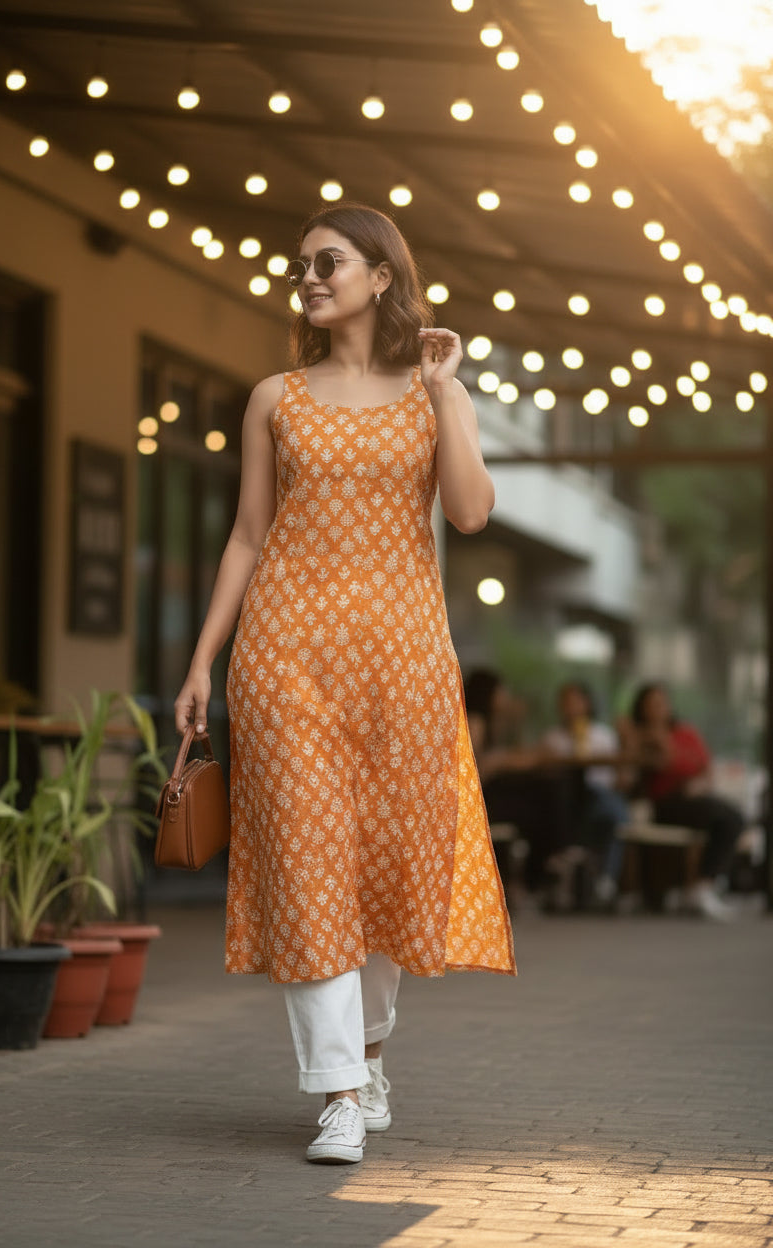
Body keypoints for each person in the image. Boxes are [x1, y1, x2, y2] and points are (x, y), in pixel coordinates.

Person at [174, 203, 516, 1166]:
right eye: (303, 267)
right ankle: (338, 1093)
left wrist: (449, 394)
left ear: (382, 275)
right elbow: (247, 534)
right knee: (310, 863)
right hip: (287, 660)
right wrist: (203, 661)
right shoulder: (274, 398)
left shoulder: (432, 391)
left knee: (385, 865)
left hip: (404, 664)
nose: (311, 278)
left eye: (329, 262)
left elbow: (472, 511)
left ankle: (367, 1055)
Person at [620, 682, 742, 920]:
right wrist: (650, 735)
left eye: (662, 703)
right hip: (664, 803)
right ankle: (699, 888)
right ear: (641, 708)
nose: (658, 709)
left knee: (732, 817)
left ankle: (703, 885)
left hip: (694, 798)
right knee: (725, 817)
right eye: (652, 704)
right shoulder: (638, 736)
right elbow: (662, 762)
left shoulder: (686, 732)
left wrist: (699, 784)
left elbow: (706, 768)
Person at [463, 668, 574, 895]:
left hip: (492, 796)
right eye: (501, 690)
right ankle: (548, 862)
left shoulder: (493, 722)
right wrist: (502, 760)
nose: (506, 695)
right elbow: (475, 768)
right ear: (488, 693)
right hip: (481, 802)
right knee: (546, 799)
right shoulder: (475, 720)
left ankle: (547, 863)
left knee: (549, 789)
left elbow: (514, 753)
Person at [540, 680, 629, 907]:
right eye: (565, 702)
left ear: (587, 704)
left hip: (599, 794)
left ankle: (605, 879)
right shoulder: (553, 738)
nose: (571, 707)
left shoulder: (603, 735)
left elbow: (619, 775)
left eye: (575, 701)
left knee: (614, 815)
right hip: (567, 799)